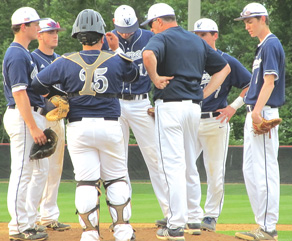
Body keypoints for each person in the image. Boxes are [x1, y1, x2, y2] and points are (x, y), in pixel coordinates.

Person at [32, 9, 139, 241]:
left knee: (86, 182)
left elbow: (36, 85)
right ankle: (122, 230)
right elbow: (135, 76)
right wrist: (116, 47)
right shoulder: (115, 59)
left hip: (78, 128)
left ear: (78, 37)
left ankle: (90, 234)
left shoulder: (64, 61)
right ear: (103, 36)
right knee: (116, 178)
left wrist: (59, 95)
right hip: (110, 126)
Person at [142, 3, 231, 241]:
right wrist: (205, 93)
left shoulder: (163, 37)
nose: (151, 30)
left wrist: (155, 78)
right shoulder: (196, 40)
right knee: (190, 163)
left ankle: (175, 225)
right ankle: (194, 218)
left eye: (151, 25)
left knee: (172, 166)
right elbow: (224, 68)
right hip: (194, 108)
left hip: (170, 106)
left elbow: (147, 54)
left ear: (159, 21)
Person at [102, 4, 169, 221]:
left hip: (142, 103)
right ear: (114, 23)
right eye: (122, 28)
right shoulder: (105, 40)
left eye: (130, 28)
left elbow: (165, 69)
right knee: (117, 161)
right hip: (115, 103)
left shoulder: (150, 36)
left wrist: (160, 102)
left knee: (156, 158)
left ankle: (172, 215)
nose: (126, 32)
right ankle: (122, 218)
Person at [192, 18, 251, 232]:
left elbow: (251, 84)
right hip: (191, 120)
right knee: (184, 168)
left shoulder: (227, 61)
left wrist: (233, 106)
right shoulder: (190, 60)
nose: (200, 38)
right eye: (197, 35)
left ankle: (210, 216)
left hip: (216, 120)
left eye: (204, 34)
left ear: (215, 35)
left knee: (214, 170)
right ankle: (189, 214)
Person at [234, 3, 285, 241]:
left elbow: (270, 82)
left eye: (251, 21)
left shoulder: (271, 44)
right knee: (250, 171)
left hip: (263, 112)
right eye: (245, 22)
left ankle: (268, 228)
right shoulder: (262, 46)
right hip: (255, 111)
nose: (247, 26)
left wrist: (256, 112)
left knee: (264, 171)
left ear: (263, 19)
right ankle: (261, 225)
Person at [2, 6, 49, 241]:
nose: (38, 27)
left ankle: (28, 222)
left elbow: (31, 90)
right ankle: (18, 227)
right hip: (22, 117)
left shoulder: (24, 53)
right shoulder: (17, 54)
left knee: (37, 171)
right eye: (35, 24)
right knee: (21, 172)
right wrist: (33, 126)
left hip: (29, 114)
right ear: (23, 27)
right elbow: (19, 93)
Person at [30, 18, 70, 231]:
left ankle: (49, 216)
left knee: (55, 168)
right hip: (41, 117)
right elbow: (31, 89)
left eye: (56, 31)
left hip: (58, 119)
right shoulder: (33, 58)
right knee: (38, 169)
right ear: (39, 35)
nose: (55, 35)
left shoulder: (59, 59)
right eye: (50, 32)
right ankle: (32, 216)